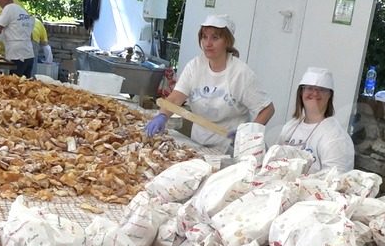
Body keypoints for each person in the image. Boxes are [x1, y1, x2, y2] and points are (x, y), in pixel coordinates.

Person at [145, 13, 274, 153]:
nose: (208, 43)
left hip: (229, 148)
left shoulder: (240, 73)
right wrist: (163, 115)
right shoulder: (194, 67)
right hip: (197, 145)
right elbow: (175, 98)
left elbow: (267, 109)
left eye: (215, 38)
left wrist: (248, 135)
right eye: (204, 37)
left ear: (227, 41)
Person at [275, 67, 354, 174]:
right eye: (309, 88)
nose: (315, 93)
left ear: (329, 95)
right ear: (301, 92)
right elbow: (274, 160)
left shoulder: (335, 137)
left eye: (322, 89)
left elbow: (336, 179)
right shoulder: (290, 127)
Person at [0, 0, 35, 77]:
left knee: (13, 85)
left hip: (17, 55)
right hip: (28, 53)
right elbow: (31, 35)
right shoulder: (22, 11)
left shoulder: (9, 8)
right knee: (25, 85)